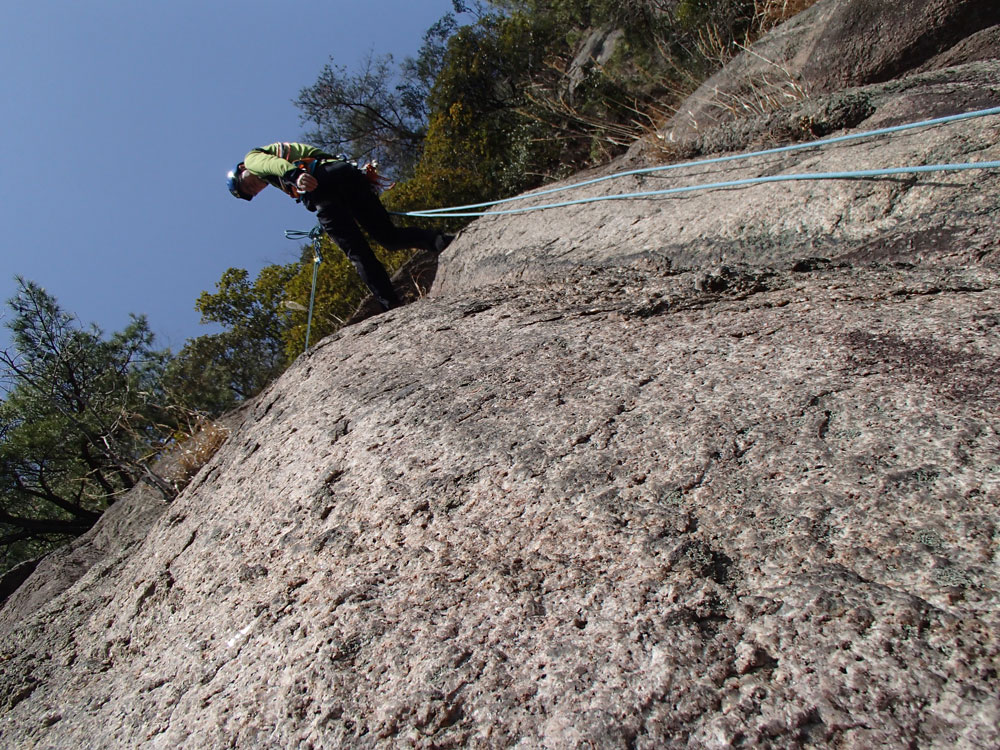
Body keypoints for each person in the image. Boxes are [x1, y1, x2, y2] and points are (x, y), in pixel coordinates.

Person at [227, 142, 452, 311]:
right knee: (388, 236)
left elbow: (270, 164)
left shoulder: (253, 159)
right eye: (252, 192)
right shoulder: (279, 165)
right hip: (345, 175)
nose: (254, 188)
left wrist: (295, 175)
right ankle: (440, 241)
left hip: (321, 186)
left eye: (246, 184)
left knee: (357, 252)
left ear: (242, 169)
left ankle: (390, 303)